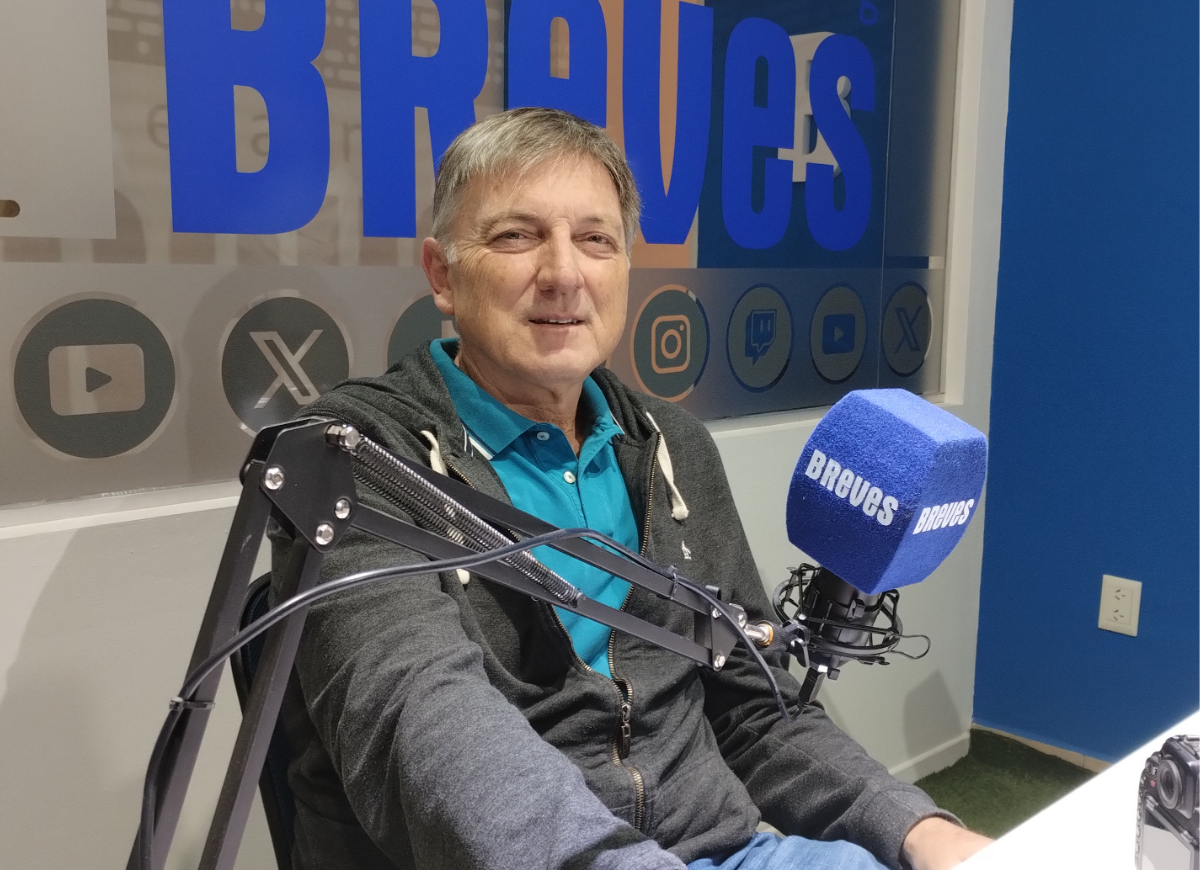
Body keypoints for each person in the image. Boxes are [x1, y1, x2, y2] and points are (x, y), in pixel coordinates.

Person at [273, 107, 991, 870]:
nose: (564, 274)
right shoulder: (356, 458)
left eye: (596, 240)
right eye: (516, 236)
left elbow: (754, 707)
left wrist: (923, 831)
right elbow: (426, 723)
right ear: (443, 275)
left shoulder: (673, 446)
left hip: (716, 846)